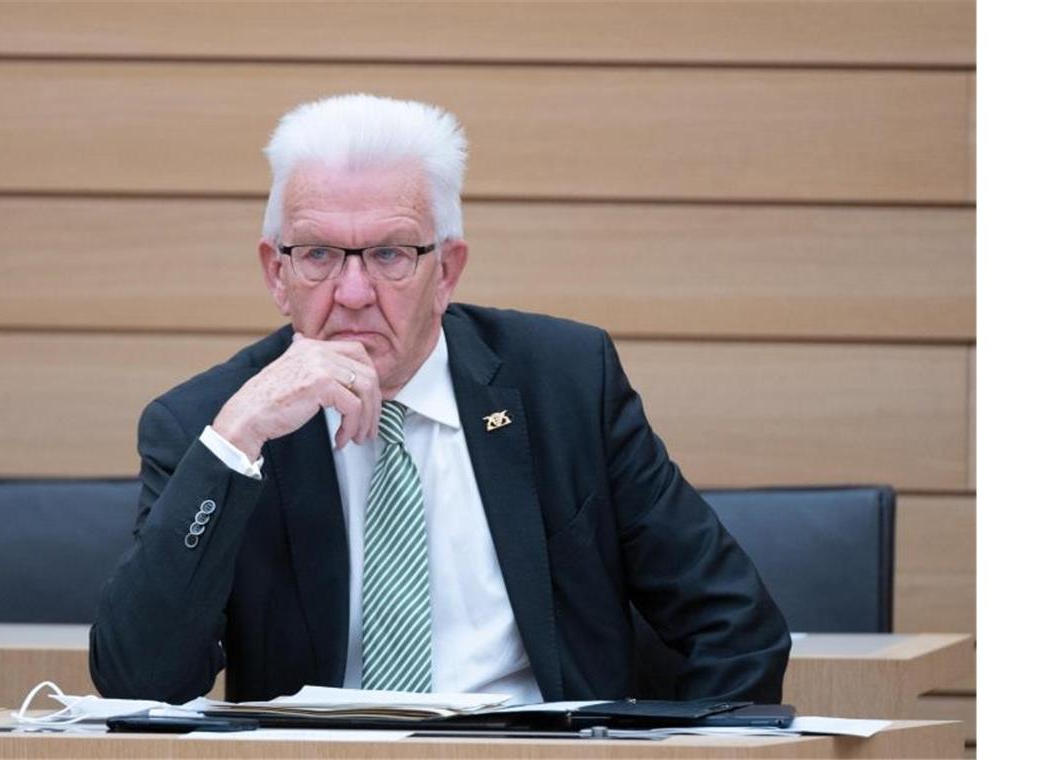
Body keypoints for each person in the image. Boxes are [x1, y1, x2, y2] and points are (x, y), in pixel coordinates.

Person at [89, 93, 791, 705]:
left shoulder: (566, 384)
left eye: (391, 255)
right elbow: (137, 680)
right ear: (277, 272)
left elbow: (735, 629)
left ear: (447, 269)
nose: (355, 293)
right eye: (320, 255)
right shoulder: (208, 424)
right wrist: (235, 441)